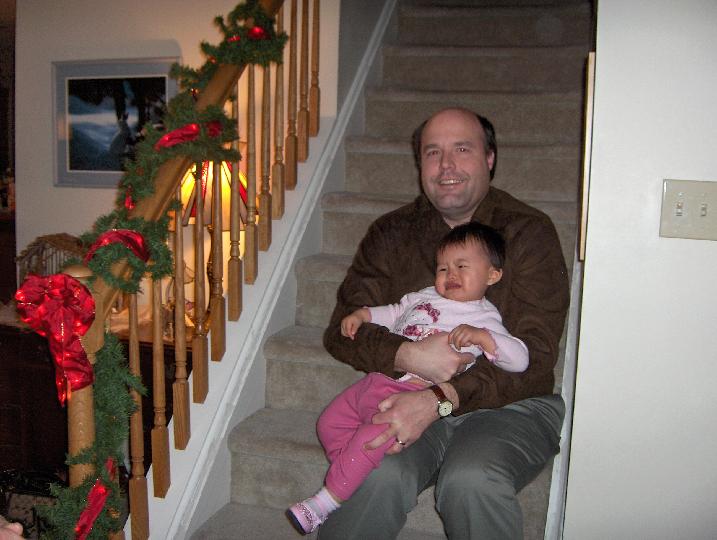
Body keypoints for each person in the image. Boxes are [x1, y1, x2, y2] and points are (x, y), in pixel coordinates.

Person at [319, 107, 570, 539]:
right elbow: (342, 330)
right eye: (433, 152)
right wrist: (407, 354)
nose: (446, 165)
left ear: (489, 158)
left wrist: (440, 397)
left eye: (462, 149)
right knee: (376, 472)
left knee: (471, 480)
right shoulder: (391, 232)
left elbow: (538, 355)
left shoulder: (529, 231)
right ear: (420, 163)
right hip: (402, 393)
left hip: (512, 403)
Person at [287, 222, 529, 534]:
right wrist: (363, 315)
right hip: (377, 380)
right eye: (443, 268)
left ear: (492, 275)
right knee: (329, 423)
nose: (450, 275)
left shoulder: (484, 318)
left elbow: (520, 360)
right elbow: (393, 313)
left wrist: (485, 339)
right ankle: (350, 472)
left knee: (369, 440)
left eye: (462, 266)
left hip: (407, 396)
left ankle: (324, 502)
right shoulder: (424, 295)